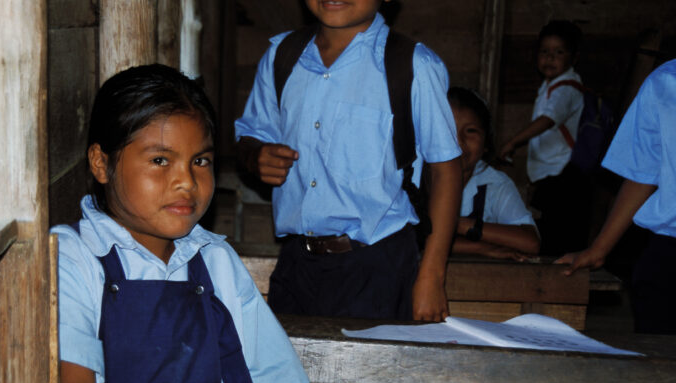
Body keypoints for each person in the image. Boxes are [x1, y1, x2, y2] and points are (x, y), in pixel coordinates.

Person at [51, 64, 310, 383]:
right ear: (100, 163)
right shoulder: (76, 257)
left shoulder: (215, 260)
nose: (186, 182)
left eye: (201, 161)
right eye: (159, 161)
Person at [235, 0, 462, 322]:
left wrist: (432, 276)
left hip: (378, 264)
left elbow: (445, 169)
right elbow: (250, 133)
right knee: (287, 367)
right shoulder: (281, 56)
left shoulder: (410, 64)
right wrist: (255, 155)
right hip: (297, 261)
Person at [558, 59, 676, 335]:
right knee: (660, 368)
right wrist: (599, 250)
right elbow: (642, 172)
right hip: (669, 253)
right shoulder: (665, 81)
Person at [498, 20, 589, 256]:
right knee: (551, 232)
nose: (550, 58)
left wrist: (513, 142)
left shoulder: (566, 88)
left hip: (563, 175)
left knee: (558, 238)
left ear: (574, 58)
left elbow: (548, 120)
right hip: (552, 175)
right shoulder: (550, 86)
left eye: (558, 52)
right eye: (545, 52)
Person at [448, 87, 540, 260]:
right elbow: (415, 242)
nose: (458, 142)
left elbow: (530, 242)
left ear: (486, 145)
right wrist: (480, 248)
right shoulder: (416, 178)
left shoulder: (494, 184)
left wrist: (458, 225)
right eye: (448, 131)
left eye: (470, 131)